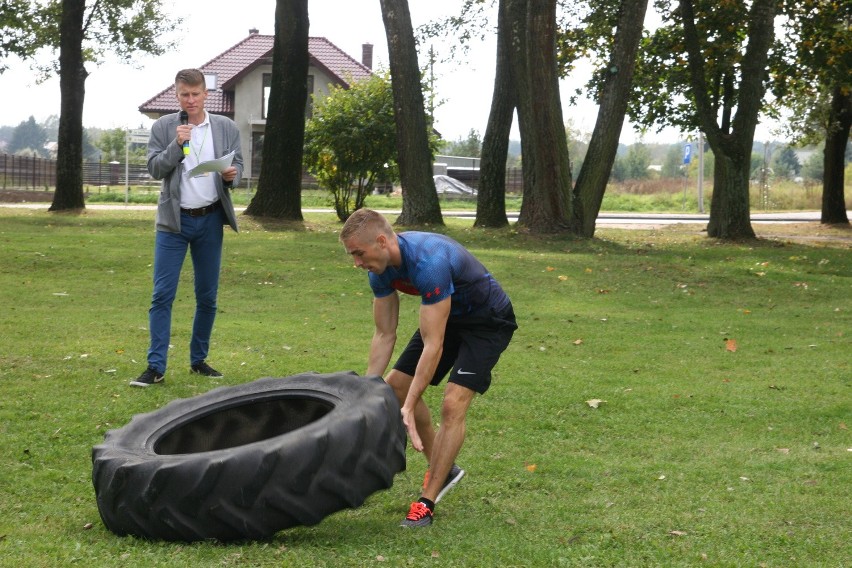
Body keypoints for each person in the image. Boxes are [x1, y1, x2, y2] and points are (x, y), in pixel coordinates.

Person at [340, 209, 517, 527]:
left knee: (453, 403)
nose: (356, 262)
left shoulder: (429, 262)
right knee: (392, 386)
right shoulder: (378, 270)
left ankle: (427, 499)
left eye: (358, 253)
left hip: (488, 321)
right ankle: (444, 468)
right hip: (447, 318)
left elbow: (433, 345)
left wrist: (408, 407)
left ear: (381, 241)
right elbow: (384, 334)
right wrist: (368, 388)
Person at [130, 68, 243, 387]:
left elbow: (240, 164)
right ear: (176, 95)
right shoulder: (164, 126)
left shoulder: (225, 127)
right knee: (162, 295)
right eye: (184, 95)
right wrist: (175, 146)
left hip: (210, 220)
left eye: (196, 94)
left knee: (207, 296)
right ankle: (155, 367)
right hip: (173, 222)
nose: (190, 100)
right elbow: (155, 168)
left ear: (206, 94)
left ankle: (198, 360)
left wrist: (232, 175)